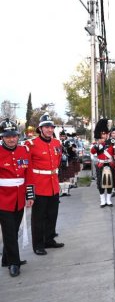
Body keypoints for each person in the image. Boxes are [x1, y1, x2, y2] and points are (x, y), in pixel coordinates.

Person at [25, 113, 64, 256]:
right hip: (39, 185)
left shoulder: (57, 143)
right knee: (38, 217)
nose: (49, 130)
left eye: (51, 127)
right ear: (40, 129)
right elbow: (27, 167)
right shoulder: (31, 144)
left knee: (52, 214)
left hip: (53, 183)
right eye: (46, 127)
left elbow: (58, 161)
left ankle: (49, 239)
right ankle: (38, 245)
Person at [0, 119, 35, 276]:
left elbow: (29, 174)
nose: (11, 139)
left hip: (20, 196)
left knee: (14, 230)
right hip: (3, 198)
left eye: (13, 135)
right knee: (8, 231)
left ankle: (6, 258)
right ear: (2, 137)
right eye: (7, 136)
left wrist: (30, 195)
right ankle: (14, 263)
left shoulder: (24, 151)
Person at [90, 119, 115, 207]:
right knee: (101, 183)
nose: (105, 135)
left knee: (110, 183)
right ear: (100, 134)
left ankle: (108, 200)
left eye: (106, 133)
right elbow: (92, 152)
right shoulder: (96, 143)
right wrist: (97, 144)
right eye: (103, 134)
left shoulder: (112, 143)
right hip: (101, 165)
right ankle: (102, 200)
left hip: (110, 164)